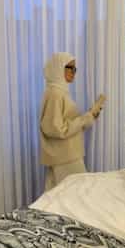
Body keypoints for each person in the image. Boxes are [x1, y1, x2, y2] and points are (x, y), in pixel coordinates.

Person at [39, 52, 105, 189]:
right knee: (77, 194)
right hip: (65, 156)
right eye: (71, 67)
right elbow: (55, 129)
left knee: (58, 196)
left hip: (66, 154)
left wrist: (90, 116)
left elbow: (65, 124)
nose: (74, 72)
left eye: (75, 69)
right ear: (58, 68)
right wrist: (86, 117)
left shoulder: (59, 92)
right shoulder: (55, 94)